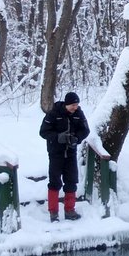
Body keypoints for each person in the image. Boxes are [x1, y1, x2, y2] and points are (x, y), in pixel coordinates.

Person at [39, 91, 90, 221]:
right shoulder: (54, 113)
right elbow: (43, 132)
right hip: (56, 153)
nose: (75, 107)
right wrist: (58, 137)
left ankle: (70, 210)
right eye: (73, 105)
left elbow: (85, 130)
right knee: (55, 182)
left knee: (71, 181)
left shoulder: (79, 114)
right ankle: (53, 212)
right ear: (66, 104)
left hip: (71, 153)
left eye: (77, 104)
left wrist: (76, 138)